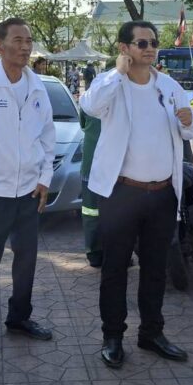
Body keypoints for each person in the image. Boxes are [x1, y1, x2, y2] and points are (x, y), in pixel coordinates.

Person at [80, 20, 193, 369]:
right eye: (142, 43)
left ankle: (151, 333)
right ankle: (113, 337)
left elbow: (190, 131)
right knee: (115, 268)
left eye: (153, 43)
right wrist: (117, 73)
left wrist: (189, 119)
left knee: (155, 268)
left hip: (162, 194)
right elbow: (90, 106)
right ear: (124, 48)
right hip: (121, 193)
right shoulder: (112, 85)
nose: (150, 49)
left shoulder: (169, 86)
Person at [0, 18, 57, 356]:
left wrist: (45, 178)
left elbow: (47, 137)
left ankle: (19, 318)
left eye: (29, 40)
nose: (25, 47)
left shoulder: (38, 86)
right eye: (18, 40)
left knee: (26, 260)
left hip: (29, 192)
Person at [79, 110, 103, 268]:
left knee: (91, 212)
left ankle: (94, 253)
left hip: (91, 166)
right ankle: (116, 254)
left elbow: (82, 124)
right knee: (116, 215)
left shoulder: (88, 101)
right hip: (114, 170)